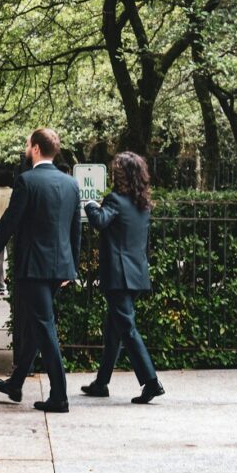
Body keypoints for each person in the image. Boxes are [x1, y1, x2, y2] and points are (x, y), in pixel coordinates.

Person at [0, 128, 81, 412]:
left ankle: (59, 395)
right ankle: (16, 382)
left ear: (36, 149)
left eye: (27, 144)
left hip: (34, 267)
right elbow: (75, 230)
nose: (26, 148)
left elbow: (10, 222)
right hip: (59, 266)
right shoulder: (71, 184)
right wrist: (71, 268)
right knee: (37, 327)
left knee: (44, 327)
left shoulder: (27, 181)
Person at [82, 152, 164, 404]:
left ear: (122, 175)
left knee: (126, 330)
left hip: (118, 277)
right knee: (113, 331)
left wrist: (91, 204)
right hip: (136, 275)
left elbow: (100, 221)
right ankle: (101, 383)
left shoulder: (115, 200)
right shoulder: (143, 204)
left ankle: (151, 382)